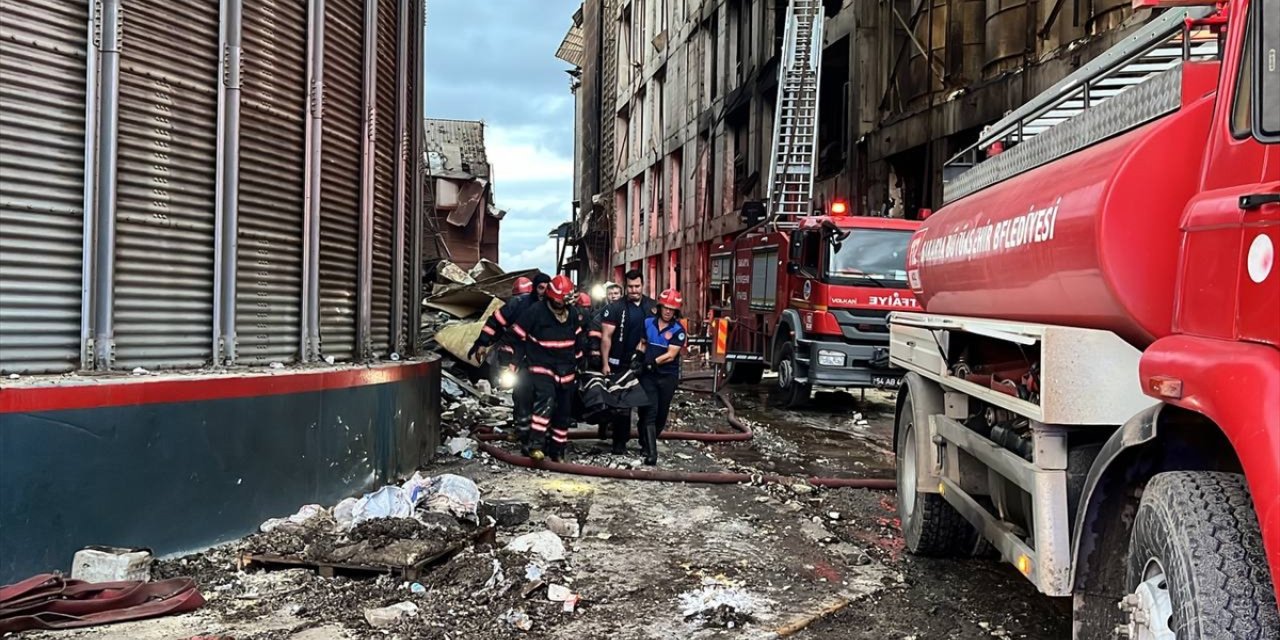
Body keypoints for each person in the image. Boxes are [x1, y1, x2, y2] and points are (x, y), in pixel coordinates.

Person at [505, 274, 587, 462]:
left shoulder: (572, 313)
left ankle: (557, 450)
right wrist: (512, 360)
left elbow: (578, 338)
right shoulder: (535, 312)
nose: (562, 304)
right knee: (545, 401)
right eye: (560, 299)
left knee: (564, 410)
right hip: (541, 365)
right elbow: (516, 334)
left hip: (566, 369)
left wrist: (581, 361)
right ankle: (535, 445)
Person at [470, 273, 550, 441]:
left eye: (547, 288)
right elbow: (495, 322)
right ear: (534, 288)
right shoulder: (519, 304)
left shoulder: (554, 308)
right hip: (519, 357)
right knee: (521, 392)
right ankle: (522, 430)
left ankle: (541, 433)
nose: (544, 292)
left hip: (544, 359)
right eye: (541, 288)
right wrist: (483, 343)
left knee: (544, 396)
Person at [600, 269, 656, 454]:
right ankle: (619, 444)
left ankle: (646, 445)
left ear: (643, 285)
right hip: (620, 363)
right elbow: (606, 337)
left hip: (645, 363)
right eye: (630, 287)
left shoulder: (652, 306)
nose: (634, 290)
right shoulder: (615, 307)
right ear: (625, 287)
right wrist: (605, 363)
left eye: (637, 286)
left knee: (648, 406)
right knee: (622, 407)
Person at [633, 288, 686, 466]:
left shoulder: (679, 330)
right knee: (649, 411)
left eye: (672, 308)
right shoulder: (648, 323)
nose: (668, 311)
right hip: (649, 376)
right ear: (660, 307)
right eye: (666, 307)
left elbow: (671, 355)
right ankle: (651, 452)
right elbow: (642, 343)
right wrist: (639, 358)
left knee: (661, 415)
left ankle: (646, 441)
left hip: (667, 376)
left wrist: (652, 362)